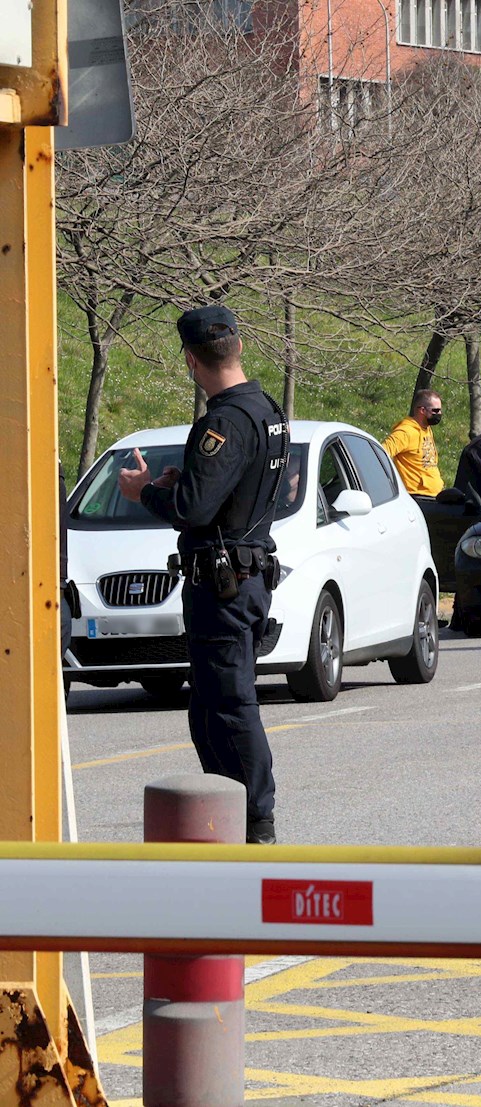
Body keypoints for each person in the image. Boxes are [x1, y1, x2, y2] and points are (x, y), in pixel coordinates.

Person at [116, 305, 289, 845]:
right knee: (211, 706)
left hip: (224, 584)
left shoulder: (222, 422)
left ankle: (253, 823)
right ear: (236, 346)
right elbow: (239, 492)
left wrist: (146, 490)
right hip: (245, 572)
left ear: (191, 359)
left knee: (229, 707)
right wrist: (184, 481)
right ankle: (229, 817)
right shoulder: (267, 410)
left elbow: (191, 510)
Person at [382, 390, 444, 497]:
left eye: (440, 410)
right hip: (416, 495)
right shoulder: (406, 432)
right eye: (435, 411)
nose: (439, 414)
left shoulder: (426, 428)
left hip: (433, 495)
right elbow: (381, 453)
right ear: (422, 410)